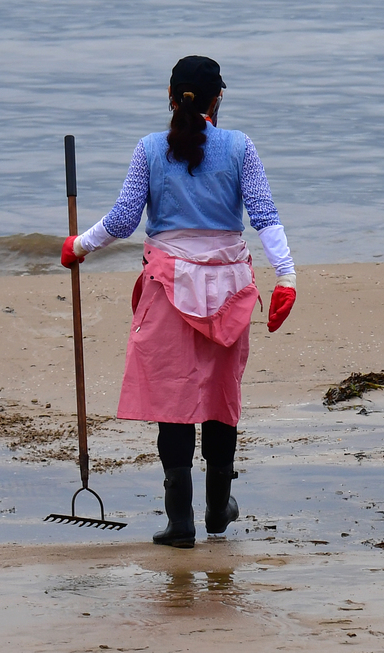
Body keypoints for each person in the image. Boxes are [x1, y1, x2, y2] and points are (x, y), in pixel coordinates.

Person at [60, 55, 297, 548]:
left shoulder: (150, 148)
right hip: (230, 287)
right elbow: (264, 215)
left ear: (171, 98)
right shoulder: (240, 147)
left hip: (168, 285)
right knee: (219, 397)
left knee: (174, 399)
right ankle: (217, 507)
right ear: (218, 100)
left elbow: (124, 219)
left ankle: (180, 521)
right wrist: (287, 276)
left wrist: (80, 245)